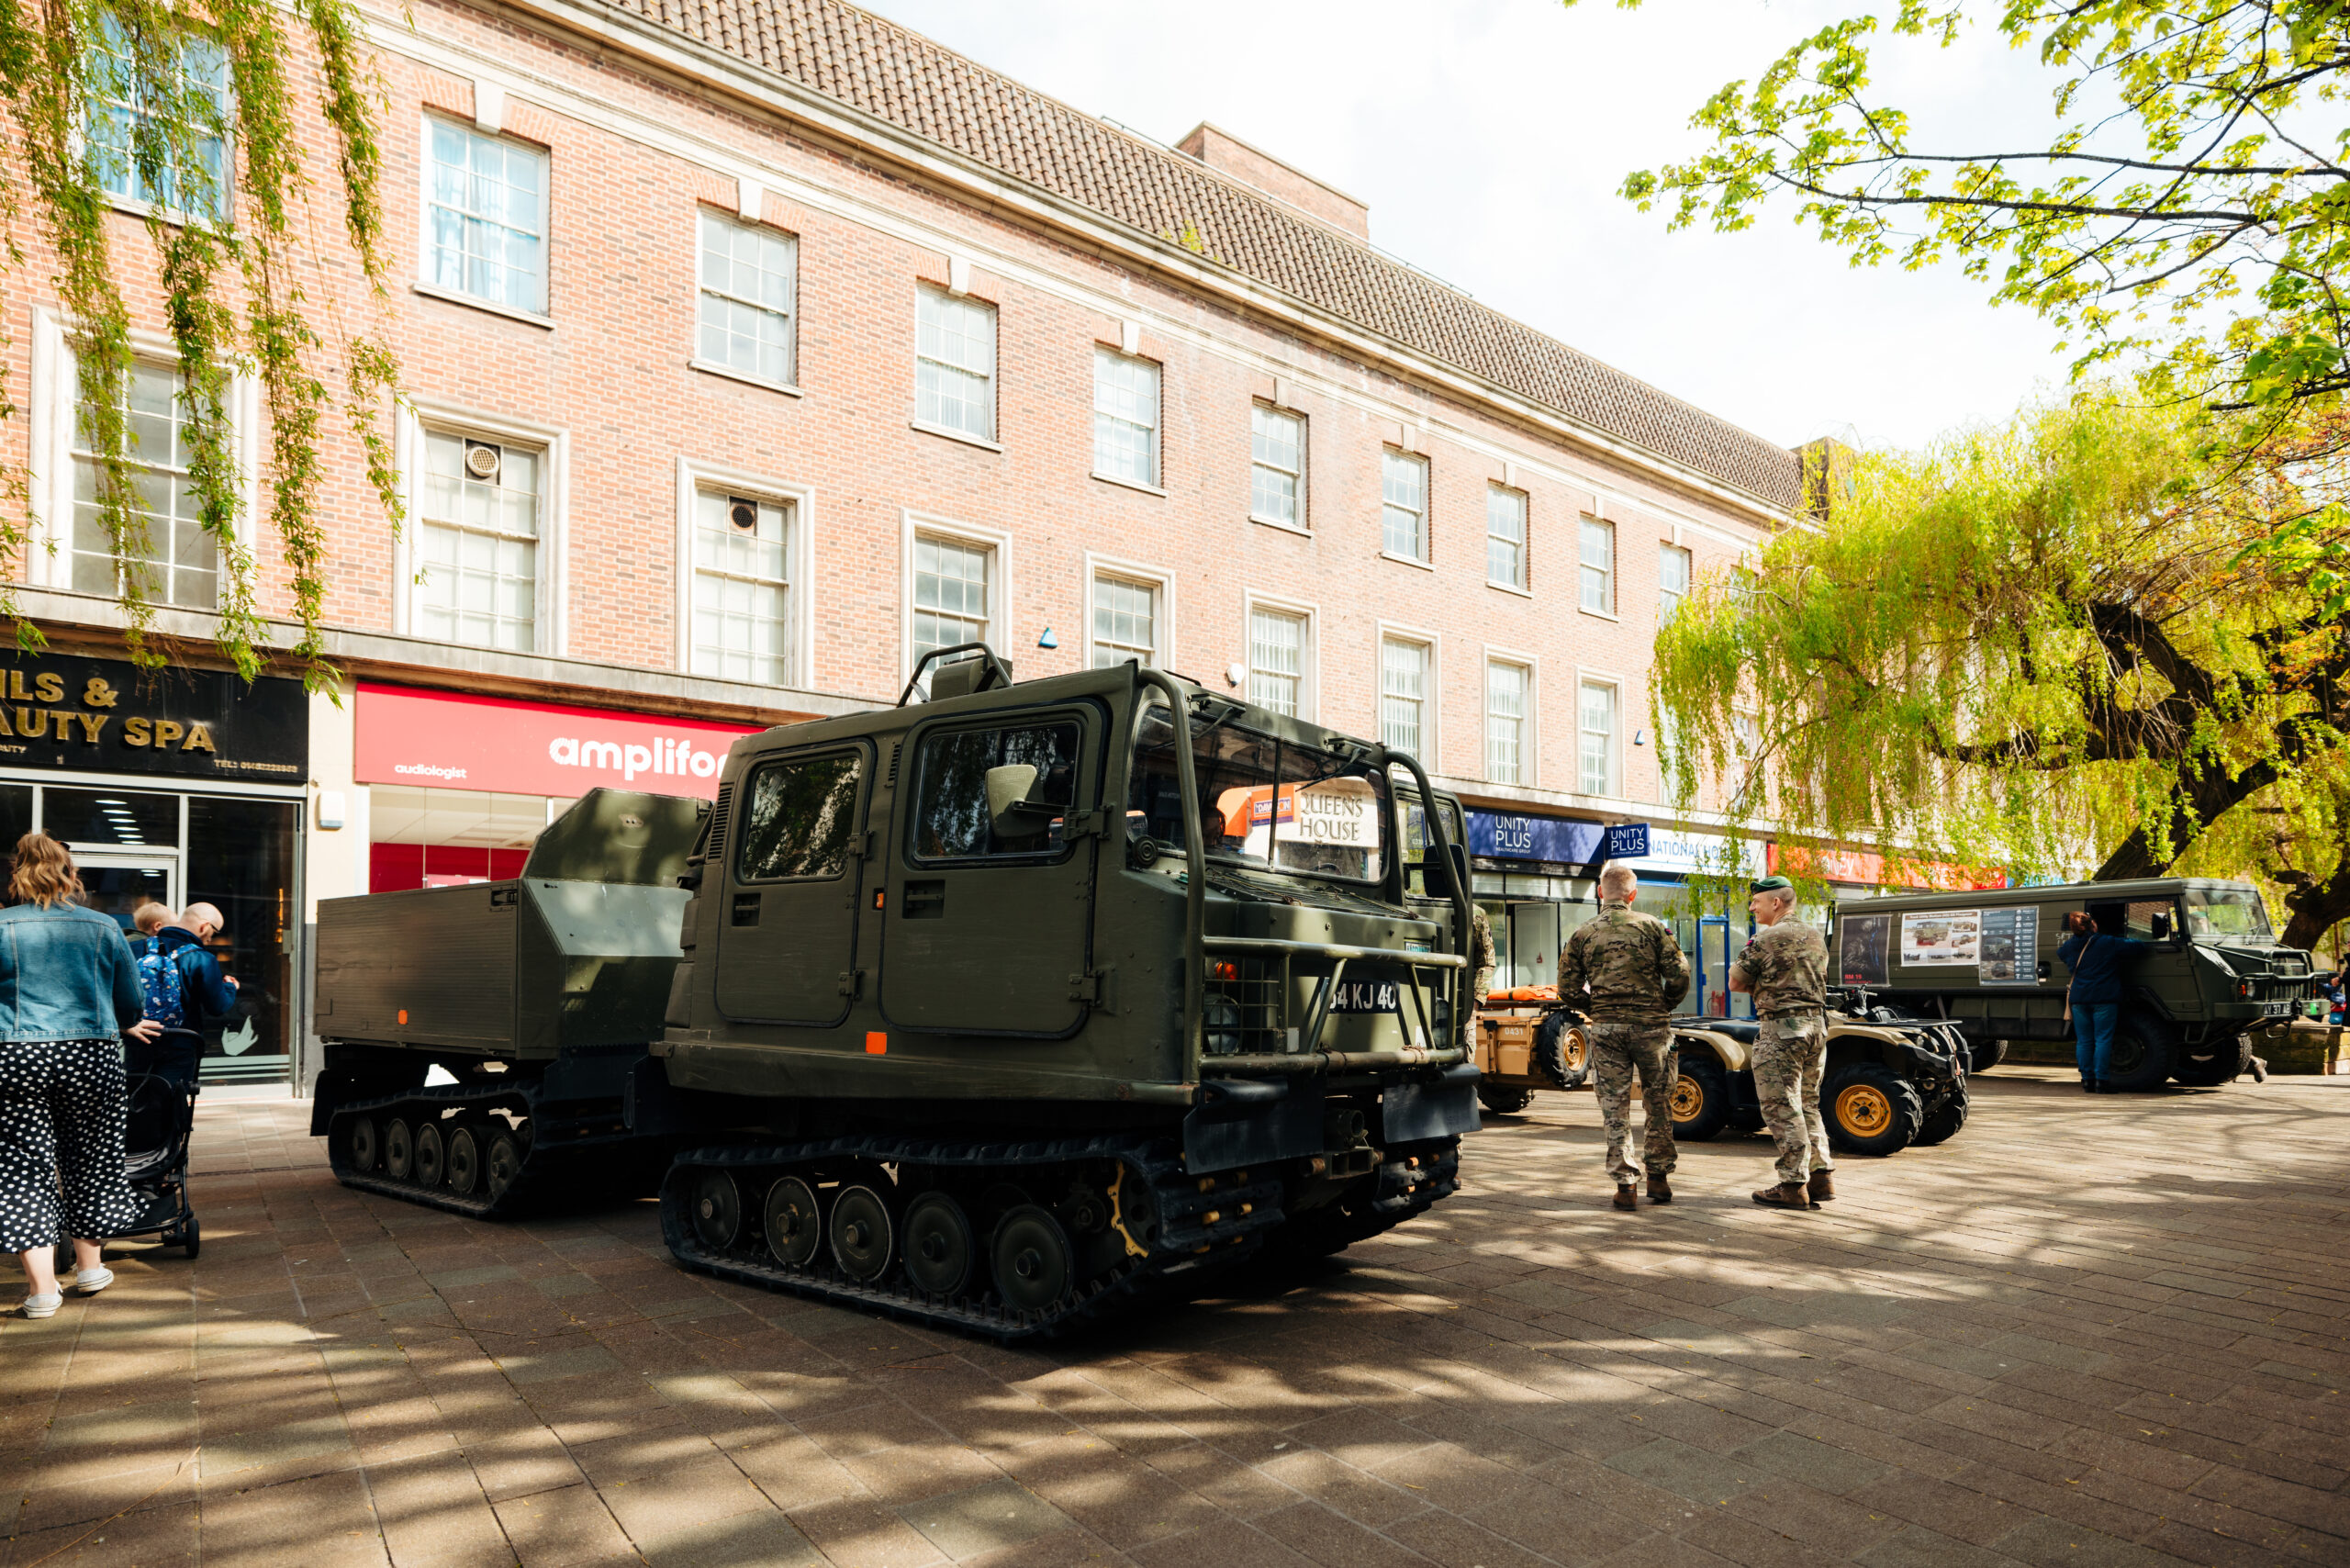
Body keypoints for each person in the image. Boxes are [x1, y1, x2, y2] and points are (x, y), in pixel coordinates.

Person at [0, 834, 162, 1318]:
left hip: (16, 1055)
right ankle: (90, 1268)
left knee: (21, 1169)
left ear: (18, 877)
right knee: (92, 1157)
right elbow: (131, 1003)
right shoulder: (102, 927)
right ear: (71, 875)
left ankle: (43, 1290)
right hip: (90, 1054)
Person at [1558, 863, 1692, 1210]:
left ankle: (1626, 1184)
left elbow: (1567, 988)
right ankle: (1659, 1180)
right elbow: (1679, 974)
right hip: (1652, 1027)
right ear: (1633, 894)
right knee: (1659, 1100)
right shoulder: (1652, 927)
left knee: (1614, 1105)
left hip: (1607, 1029)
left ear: (1600, 892)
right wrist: (1662, 1003)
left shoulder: (1583, 933)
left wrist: (1596, 1008)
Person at [1731, 875, 1834, 1210]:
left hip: (1782, 1030)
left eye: (1756, 901)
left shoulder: (1766, 938)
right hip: (1817, 1027)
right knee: (1808, 1103)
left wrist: (1763, 988)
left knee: (1782, 1106)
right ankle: (1821, 1177)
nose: (1751, 906)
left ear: (1775, 902)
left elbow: (1735, 981)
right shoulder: (1816, 936)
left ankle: (1792, 1184)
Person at [2056, 911, 2147, 1092]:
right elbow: (2137, 946)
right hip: (2104, 998)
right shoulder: (2107, 942)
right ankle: (2102, 1082)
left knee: (2083, 1041)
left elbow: (2060, 953)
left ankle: (2087, 1081)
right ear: (2093, 925)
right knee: (2103, 1039)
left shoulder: (2068, 946)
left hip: (2080, 999)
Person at [141, 902, 241, 1042]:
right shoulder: (202, 958)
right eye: (214, 932)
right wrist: (230, 988)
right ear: (204, 927)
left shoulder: (135, 948)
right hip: (181, 1040)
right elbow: (217, 1007)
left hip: (139, 1039)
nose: (210, 939)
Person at [1463, 903, 1494, 1050]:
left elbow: (1487, 961)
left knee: (1464, 1059)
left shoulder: (1475, 913)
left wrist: (1476, 1000)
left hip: (1463, 1001)